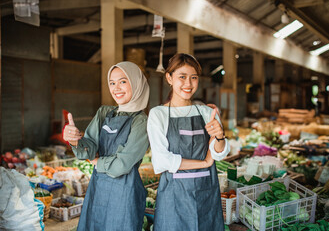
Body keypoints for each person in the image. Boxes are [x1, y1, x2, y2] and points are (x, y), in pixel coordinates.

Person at [147, 53, 230, 231]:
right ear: (169, 78)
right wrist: (204, 163)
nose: (188, 84)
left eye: (194, 78)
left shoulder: (207, 113)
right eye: (182, 77)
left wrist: (220, 136)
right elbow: (162, 161)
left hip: (206, 195)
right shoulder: (158, 114)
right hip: (173, 197)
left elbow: (219, 153)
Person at [63, 61, 149, 231]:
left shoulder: (142, 121)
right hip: (98, 189)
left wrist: (96, 162)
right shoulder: (104, 113)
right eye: (112, 83)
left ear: (136, 83)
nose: (116, 88)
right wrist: (75, 141)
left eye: (123, 81)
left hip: (126, 193)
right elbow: (89, 148)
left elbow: (122, 165)